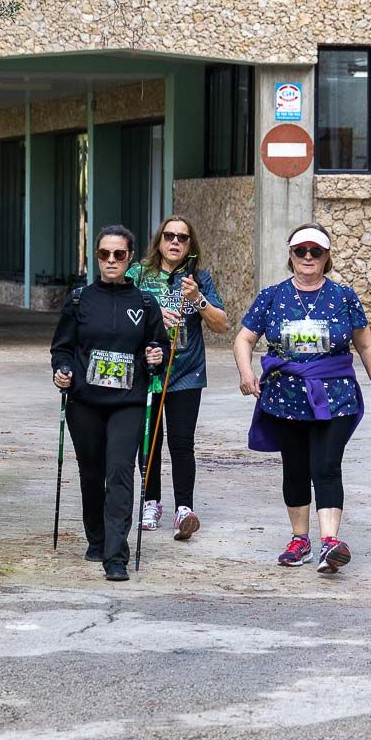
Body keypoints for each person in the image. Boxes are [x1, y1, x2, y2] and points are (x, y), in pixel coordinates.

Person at [233, 223, 371, 573]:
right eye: (300, 250)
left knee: (327, 466)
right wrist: (246, 372)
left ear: (326, 256)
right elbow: (244, 339)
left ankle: (330, 543)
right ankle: (300, 540)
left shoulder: (344, 296)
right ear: (290, 255)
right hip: (285, 398)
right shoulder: (271, 296)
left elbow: (365, 343)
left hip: (336, 397)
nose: (307, 257)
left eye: (315, 251)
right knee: (296, 468)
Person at [50, 226, 168, 582]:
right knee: (92, 471)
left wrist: (155, 355)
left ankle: (115, 554)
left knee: (119, 471)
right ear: (97, 257)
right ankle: (97, 538)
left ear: (130, 258)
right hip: (85, 401)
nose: (111, 260)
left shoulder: (145, 303)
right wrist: (63, 371)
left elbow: (158, 348)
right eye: (105, 254)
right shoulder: (79, 300)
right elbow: (62, 348)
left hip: (128, 402)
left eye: (118, 254)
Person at [127, 216, 227, 540]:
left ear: (189, 245)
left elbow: (222, 324)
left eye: (182, 238)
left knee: (182, 442)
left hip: (186, 372)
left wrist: (198, 299)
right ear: (159, 240)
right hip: (150, 370)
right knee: (149, 441)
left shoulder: (198, 278)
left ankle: (184, 508)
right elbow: (117, 314)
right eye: (169, 235)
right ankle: (151, 502)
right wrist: (153, 316)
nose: (175, 242)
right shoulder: (139, 275)